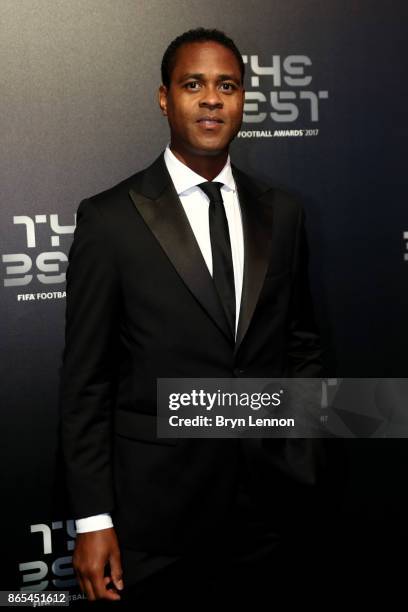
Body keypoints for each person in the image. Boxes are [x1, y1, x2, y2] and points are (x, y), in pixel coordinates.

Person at [59, 27, 325, 605]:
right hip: (156, 522)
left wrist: (300, 453)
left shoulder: (284, 212)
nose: (211, 98)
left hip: (270, 512)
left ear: (243, 99)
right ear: (165, 97)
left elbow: (301, 345)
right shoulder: (109, 220)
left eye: (226, 85)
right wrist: (93, 520)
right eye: (194, 84)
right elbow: (86, 384)